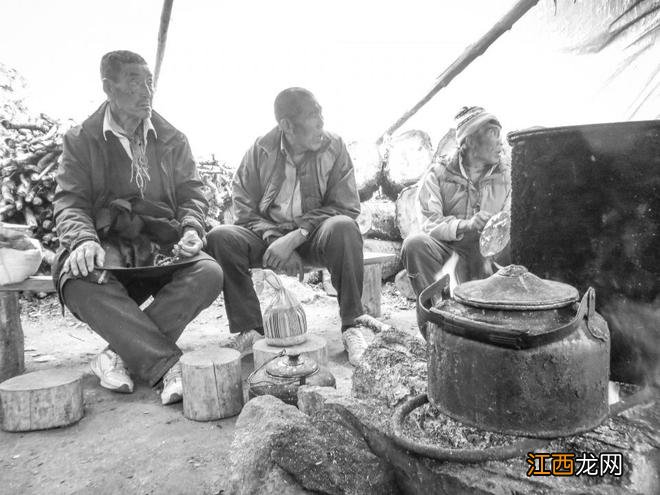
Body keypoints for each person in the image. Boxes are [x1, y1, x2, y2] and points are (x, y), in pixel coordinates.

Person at [53, 50, 223, 405]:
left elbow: (193, 194)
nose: (146, 91)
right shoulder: (82, 139)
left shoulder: (172, 139)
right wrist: (83, 240)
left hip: (158, 248)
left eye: (149, 82)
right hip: (107, 247)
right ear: (108, 88)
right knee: (77, 278)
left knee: (207, 272)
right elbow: (70, 202)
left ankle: (117, 353)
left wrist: (192, 228)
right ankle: (164, 365)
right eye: (134, 82)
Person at [206, 87, 380, 365]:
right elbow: (243, 207)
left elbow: (346, 205)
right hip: (268, 239)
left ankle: (353, 326)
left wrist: (296, 237)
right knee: (220, 236)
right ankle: (250, 329)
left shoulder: (334, 147)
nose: (321, 121)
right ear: (286, 125)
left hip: (314, 236)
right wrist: (278, 240)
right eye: (313, 115)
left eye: (320, 112)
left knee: (345, 227)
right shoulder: (261, 150)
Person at [402, 106, 511, 298]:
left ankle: (504, 312)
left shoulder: (507, 175)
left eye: (500, 135)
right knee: (415, 244)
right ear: (469, 140)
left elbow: (513, 219)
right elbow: (429, 222)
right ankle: (436, 314)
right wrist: (465, 225)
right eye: (493, 133)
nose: (500, 143)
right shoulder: (438, 174)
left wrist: (493, 229)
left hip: (490, 256)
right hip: (449, 249)